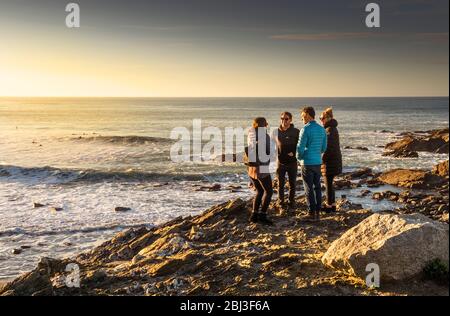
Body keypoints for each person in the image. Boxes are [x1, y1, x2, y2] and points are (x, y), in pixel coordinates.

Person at [297, 107, 327, 222]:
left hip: (307, 162)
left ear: (309, 115)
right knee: (317, 187)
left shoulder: (305, 129)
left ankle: (311, 212)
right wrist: (316, 154)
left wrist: (299, 158)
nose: (302, 119)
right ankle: (318, 211)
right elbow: (324, 147)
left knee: (308, 188)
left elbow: (300, 148)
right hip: (317, 162)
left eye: (303, 116)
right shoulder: (321, 129)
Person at [247, 117, 275, 225]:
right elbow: (270, 152)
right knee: (269, 191)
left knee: (259, 191)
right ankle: (262, 215)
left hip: (251, 168)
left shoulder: (250, 134)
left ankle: (254, 215)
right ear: (265, 125)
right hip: (262, 167)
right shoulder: (264, 136)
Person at [272, 112, 300, 212]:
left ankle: (291, 202)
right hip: (280, 163)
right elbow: (272, 145)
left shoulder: (296, 131)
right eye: (282, 118)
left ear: (291, 120)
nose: (284, 121)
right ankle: (281, 202)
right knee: (280, 184)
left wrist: (295, 153)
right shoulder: (276, 132)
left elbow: (300, 145)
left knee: (292, 184)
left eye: (286, 119)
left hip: (292, 162)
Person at [320, 108, 342, 213]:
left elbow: (328, 148)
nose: (321, 120)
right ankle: (332, 204)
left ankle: (329, 205)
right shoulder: (331, 129)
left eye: (322, 118)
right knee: (329, 183)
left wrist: (322, 160)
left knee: (328, 183)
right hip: (334, 160)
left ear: (327, 118)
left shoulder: (329, 130)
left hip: (330, 161)